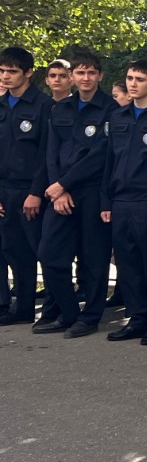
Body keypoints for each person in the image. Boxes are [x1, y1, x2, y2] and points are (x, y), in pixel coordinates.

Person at [36, 49, 116, 338]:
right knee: (50, 254)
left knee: (94, 258)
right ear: (72, 77)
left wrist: (64, 184)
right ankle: (69, 313)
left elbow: (100, 155)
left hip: (92, 192)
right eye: (80, 73)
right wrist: (58, 189)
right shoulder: (60, 109)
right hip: (60, 193)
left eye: (91, 72)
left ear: (100, 76)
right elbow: (51, 153)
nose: (85, 78)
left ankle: (90, 317)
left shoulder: (111, 110)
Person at [100, 60, 147, 344]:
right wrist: (105, 201)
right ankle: (137, 317)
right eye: (130, 78)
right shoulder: (118, 117)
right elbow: (109, 161)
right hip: (120, 200)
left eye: (140, 79)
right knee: (127, 263)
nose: (133, 84)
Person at [0, 47, 51, 327]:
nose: (6, 76)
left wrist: (35, 192)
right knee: (12, 250)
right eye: (2, 71)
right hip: (4, 189)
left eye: (12, 71)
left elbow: (46, 154)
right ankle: (22, 308)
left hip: (31, 190)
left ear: (28, 73)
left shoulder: (43, 106)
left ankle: (52, 308)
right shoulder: (0, 104)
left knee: (40, 251)